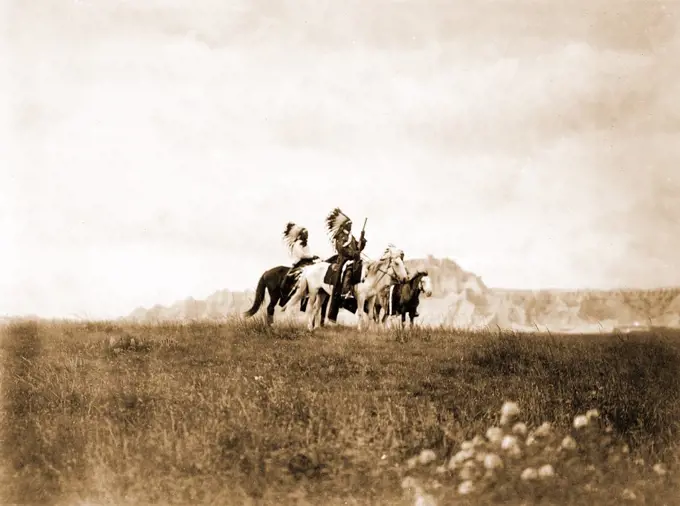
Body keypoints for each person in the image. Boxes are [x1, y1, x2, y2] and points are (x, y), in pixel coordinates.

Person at [325, 208, 367, 323]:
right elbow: (342, 249)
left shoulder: (350, 236)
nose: (351, 227)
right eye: (349, 225)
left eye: (351, 225)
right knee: (348, 269)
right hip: (343, 260)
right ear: (344, 226)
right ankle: (346, 290)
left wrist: (362, 242)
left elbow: (357, 248)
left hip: (352, 259)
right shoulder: (340, 236)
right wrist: (353, 254)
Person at [281, 222, 319, 308]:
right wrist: (312, 256)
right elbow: (301, 255)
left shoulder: (305, 244)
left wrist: (313, 257)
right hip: (300, 263)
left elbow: (307, 254)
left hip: (307, 262)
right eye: (305, 234)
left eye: (307, 234)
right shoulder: (297, 243)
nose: (307, 235)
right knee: (302, 275)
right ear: (301, 235)